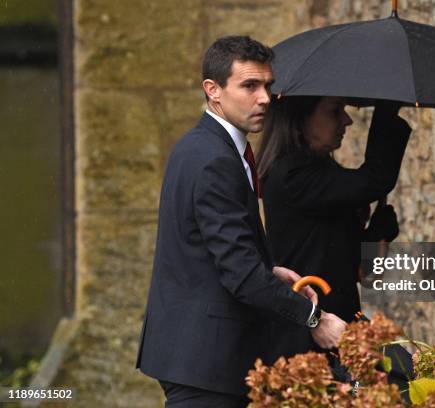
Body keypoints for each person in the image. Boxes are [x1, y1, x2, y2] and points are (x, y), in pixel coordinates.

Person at [136, 36, 346, 408]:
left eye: (267, 85)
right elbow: (241, 274)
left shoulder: (204, 146)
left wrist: (270, 270)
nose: (264, 98)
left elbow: (213, 249)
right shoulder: (214, 159)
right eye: (249, 85)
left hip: (199, 355)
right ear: (213, 90)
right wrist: (316, 320)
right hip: (205, 361)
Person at [256, 95, 410, 359]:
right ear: (300, 118)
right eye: (335, 111)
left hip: (340, 325)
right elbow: (374, 180)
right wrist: (387, 108)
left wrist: (378, 234)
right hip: (312, 333)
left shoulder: (319, 173)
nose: (347, 120)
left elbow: (364, 274)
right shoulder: (292, 176)